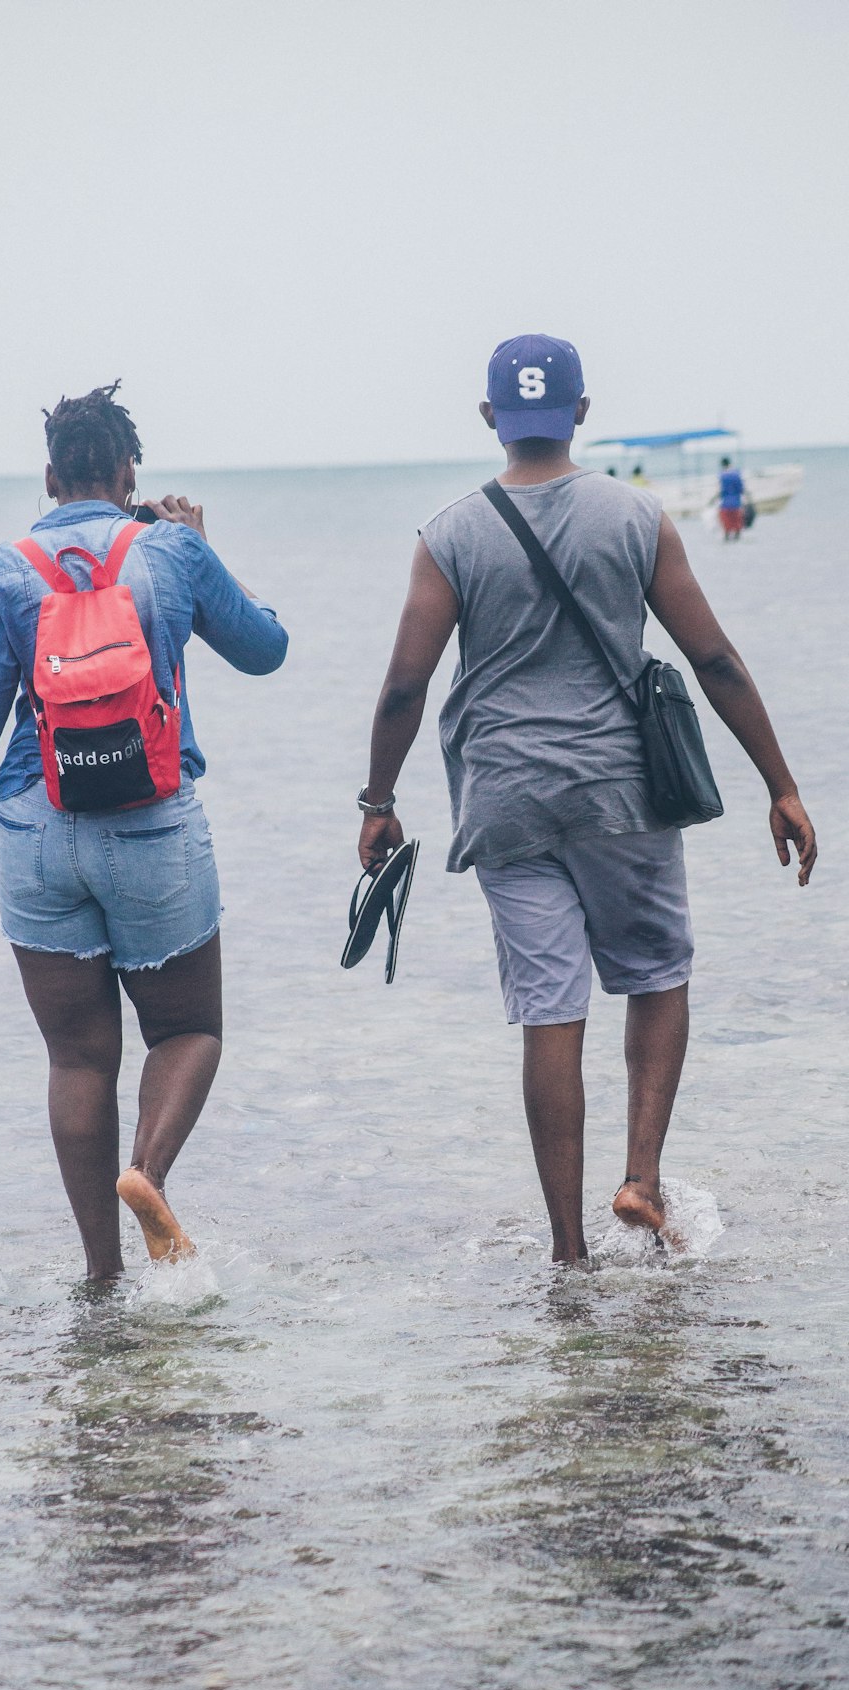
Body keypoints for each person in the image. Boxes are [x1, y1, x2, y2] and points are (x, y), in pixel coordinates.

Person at [358, 333, 816, 1265]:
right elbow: (714, 658)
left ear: (492, 418)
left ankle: (567, 1250)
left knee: (549, 1009)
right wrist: (781, 783)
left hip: (507, 802)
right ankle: (640, 1179)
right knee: (656, 975)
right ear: (580, 412)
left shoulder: (450, 534)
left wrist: (377, 799)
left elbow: (406, 685)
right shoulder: (638, 518)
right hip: (621, 794)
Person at [0, 384, 288, 1280]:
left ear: (49, 475)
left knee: (77, 1058)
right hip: (152, 826)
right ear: (127, 471)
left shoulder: (3, 570)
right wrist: (207, 549)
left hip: (36, 831)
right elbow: (266, 647)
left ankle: (102, 1277)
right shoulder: (172, 551)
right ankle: (144, 1174)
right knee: (187, 1030)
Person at [719, 455, 746, 540]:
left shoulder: (722, 476)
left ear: (722, 465)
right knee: (737, 527)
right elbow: (741, 489)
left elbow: (721, 491)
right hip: (736, 504)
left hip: (725, 505)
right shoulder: (736, 474)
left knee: (727, 528)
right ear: (730, 463)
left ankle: (727, 540)